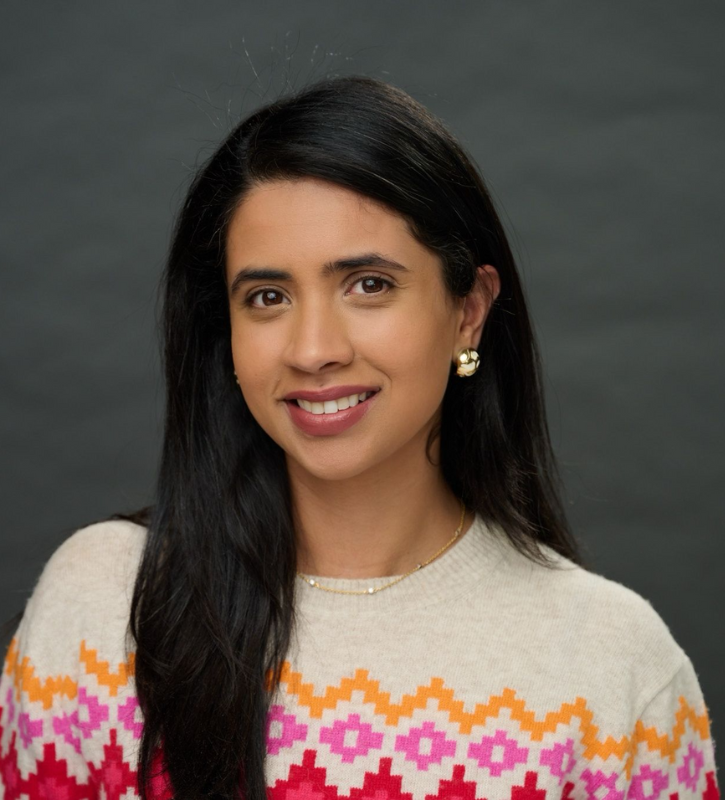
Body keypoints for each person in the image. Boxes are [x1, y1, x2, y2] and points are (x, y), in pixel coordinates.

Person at [0, 75, 719, 800]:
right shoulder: (105, 608)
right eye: (267, 297)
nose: (313, 350)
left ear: (467, 311)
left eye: (368, 284)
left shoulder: (611, 666)